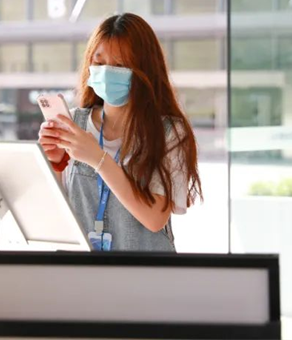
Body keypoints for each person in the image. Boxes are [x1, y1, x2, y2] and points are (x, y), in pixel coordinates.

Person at [38, 13, 202, 252]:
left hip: (145, 272)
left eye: (120, 65)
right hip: (81, 271)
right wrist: (55, 163)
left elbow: (155, 219)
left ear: (145, 69)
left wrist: (98, 158)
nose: (107, 72)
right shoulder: (74, 122)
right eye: (99, 63)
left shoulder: (169, 132)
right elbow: (54, 213)